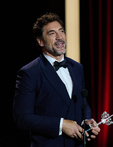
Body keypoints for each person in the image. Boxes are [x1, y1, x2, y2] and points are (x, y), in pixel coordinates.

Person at [13, 13, 100, 147]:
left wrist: (87, 120)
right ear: (40, 41)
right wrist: (61, 125)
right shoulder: (29, 73)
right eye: (52, 33)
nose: (60, 37)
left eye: (61, 31)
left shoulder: (77, 67)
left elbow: (82, 103)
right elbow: (22, 118)